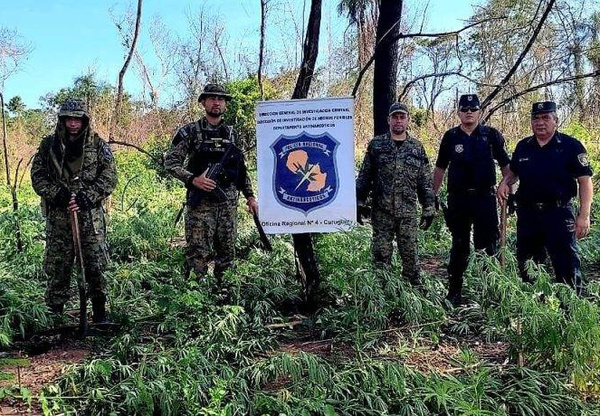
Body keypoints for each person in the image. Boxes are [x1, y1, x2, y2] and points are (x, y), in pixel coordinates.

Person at [31, 98, 117, 322]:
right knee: (58, 265)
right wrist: (55, 194)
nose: (73, 123)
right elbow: (37, 175)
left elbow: (109, 176)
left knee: (95, 264)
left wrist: (89, 196)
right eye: (69, 118)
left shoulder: (98, 145)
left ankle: (99, 314)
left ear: (84, 120)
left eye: (77, 119)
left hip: (90, 216)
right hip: (59, 216)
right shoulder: (49, 145)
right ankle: (54, 315)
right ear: (62, 119)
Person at [165, 83, 258, 283]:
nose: (217, 102)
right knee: (197, 255)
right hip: (201, 206)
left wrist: (250, 196)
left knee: (227, 254)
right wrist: (193, 179)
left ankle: (224, 297)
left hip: (227, 204)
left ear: (225, 105)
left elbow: (241, 168)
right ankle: (196, 300)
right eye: (212, 98)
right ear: (203, 102)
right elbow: (171, 163)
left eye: (221, 99)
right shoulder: (190, 132)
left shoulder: (233, 134)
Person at [497, 101, 593, 293]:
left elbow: (585, 181)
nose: (540, 122)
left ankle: (570, 313)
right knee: (528, 266)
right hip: (529, 215)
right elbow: (513, 172)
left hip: (559, 213)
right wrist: (504, 182)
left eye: (545, 118)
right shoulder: (524, 146)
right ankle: (534, 311)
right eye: (536, 118)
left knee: (567, 266)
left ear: (556, 120)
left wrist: (584, 215)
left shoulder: (570, 146)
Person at [433, 94, 510, 306]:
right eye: (465, 109)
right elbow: (440, 168)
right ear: (458, 112)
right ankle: (454, 292)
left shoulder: (491, 135)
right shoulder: (450, 137)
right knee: (459, 247)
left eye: (473, 109)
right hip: (458, 200)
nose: (469, 112)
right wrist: (433, 195)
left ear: (480, 112)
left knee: (487, 247)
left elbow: (506, 166)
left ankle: (490, 293)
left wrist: (507, 185)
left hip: (484, 198)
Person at [356, 102, 435, 285]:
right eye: (395, 117)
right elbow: (365, 176)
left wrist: (429, 206)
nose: (398, 121)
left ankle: (412, 298)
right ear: (389, 120)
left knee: (411, 260)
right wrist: (358, 201)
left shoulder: (416, 148)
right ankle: (383, 299)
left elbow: (424, 182)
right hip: (382, 213)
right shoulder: (377, 145)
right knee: (381, 258)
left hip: (407, 214)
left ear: (408, 120)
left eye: (402, 117)